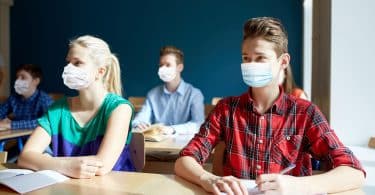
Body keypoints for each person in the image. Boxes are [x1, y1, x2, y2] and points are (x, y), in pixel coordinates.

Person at [175, 17, 365, 195]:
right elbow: (184, 160)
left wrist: (297, 185)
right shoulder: (226, 109)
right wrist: (208, 178)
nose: (251, 64)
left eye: (260, 58)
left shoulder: (305, 113)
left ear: (283, 62)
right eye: (246, 58)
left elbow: (354, 171)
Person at [18, 35, 135, 178]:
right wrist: (65, 166)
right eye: (68, 62)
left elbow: (101, 166)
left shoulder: (120, 109)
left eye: (77, 63)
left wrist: (48, 162)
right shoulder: (58, 109)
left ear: (100, 71)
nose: (68, 68)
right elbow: (25, 157)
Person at [132, 46, 204, 134]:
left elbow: (198, 124)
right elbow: (141, 118)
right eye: (161, 65)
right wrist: (138, 124)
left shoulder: (194, 94)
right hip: (157, 145)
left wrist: (172, 129)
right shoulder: (152, 94)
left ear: (180, 67)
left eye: (168, 65)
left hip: (184, 145)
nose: (163, 69)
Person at [0, 64, 53, 130]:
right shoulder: (13, 98)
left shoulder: (44, 99)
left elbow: (48, 121)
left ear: (36, 81)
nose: (17, 81)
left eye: (23, 77)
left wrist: (10, 125)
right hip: (18, 136)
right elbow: (1, 111)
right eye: (17, 77)